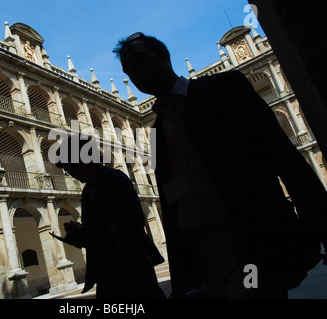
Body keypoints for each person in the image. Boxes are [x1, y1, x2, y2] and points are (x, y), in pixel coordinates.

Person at [113, 32, 327, 299]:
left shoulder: (222, 89)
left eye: (139, 59)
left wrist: (319, 226)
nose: (135, 71)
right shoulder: (156, 133)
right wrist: (182, 276)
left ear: (164, 56)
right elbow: (172, 200)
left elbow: (284, 156)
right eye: (128, 69)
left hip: (249, 236)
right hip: (203, 251)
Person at [50, 133, 166, 299]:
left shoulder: (115, 179)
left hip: (130, 263)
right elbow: (95, 228)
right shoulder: (87, 191)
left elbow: (135, 221)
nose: (72, 174)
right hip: (106, 268)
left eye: (72, 168)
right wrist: (80, 234)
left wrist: (90, 232)